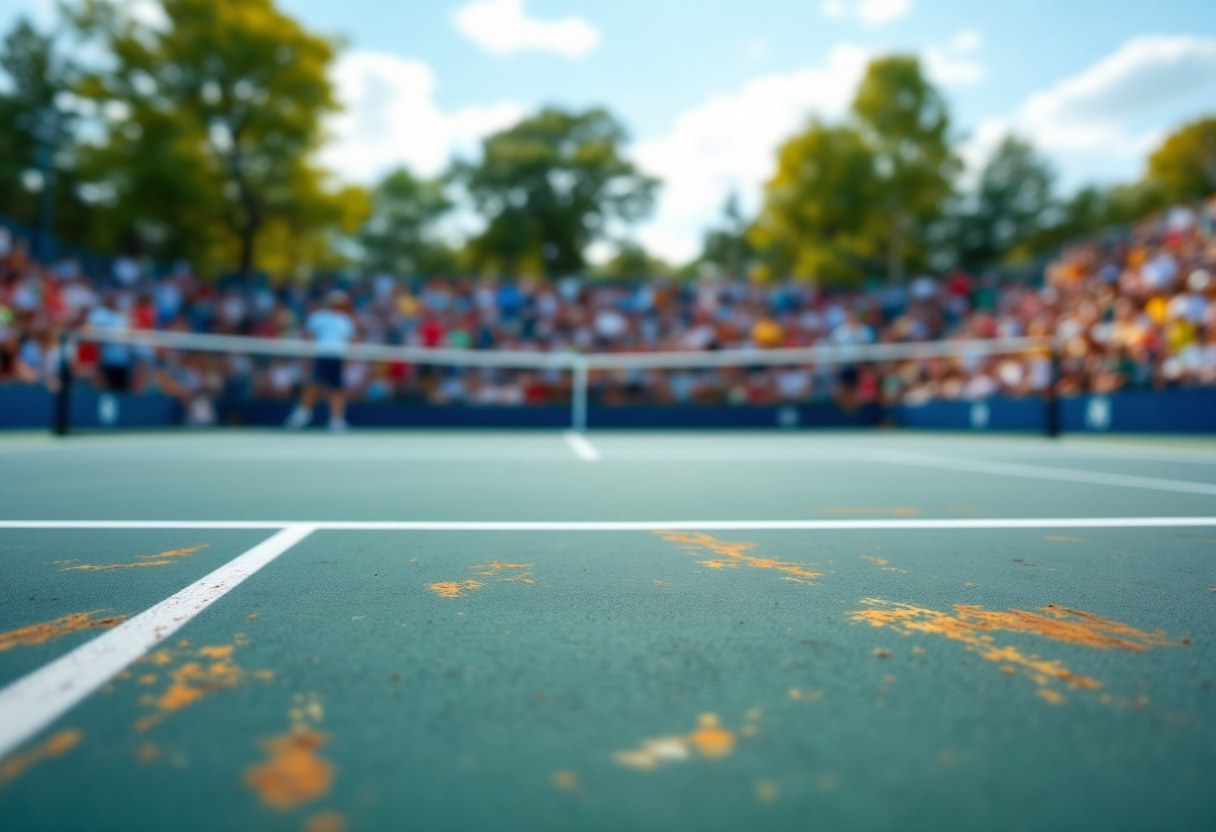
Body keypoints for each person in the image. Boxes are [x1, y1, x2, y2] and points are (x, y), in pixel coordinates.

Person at [285, 290, 356, 431]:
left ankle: (336, 420)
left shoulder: (346, 320)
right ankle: (302, 414)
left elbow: (349, 341)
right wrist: (308, 357)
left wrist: (347, 360)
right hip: (321, 355)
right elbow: (309, 336)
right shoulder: (318, 317)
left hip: (337, 357)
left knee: (337, 388)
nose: (337, 306)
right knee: (314, 385)